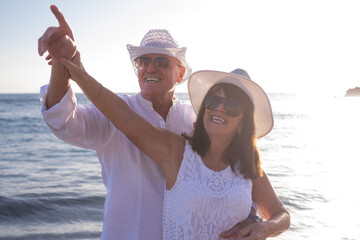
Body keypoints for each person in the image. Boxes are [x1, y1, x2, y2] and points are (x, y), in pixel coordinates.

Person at [38, 5, 270, 239]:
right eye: (143, 61)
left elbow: (238, 176)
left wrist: (253, 217)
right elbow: (62, 119)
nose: (150, 68)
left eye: (161, 61)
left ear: (180, 74)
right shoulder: (114, 112)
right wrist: (62, 61)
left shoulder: (200, 121)